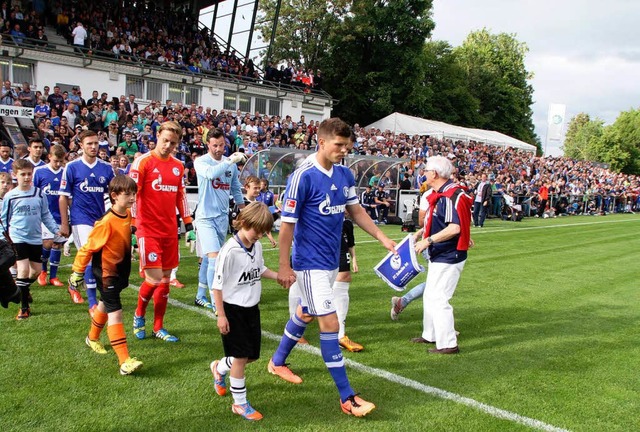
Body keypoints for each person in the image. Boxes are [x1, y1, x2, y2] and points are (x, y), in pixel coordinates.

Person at [267, 118, 396, 417]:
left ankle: (277, 362)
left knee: (305, 312)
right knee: (331, 324)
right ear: (321, 142)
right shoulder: (303, 177)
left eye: (347, 146)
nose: (343, 150)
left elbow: (355, 210)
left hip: (330, 260)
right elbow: (286, 227)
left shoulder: (344, 174)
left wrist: (381, 237)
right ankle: (347, 397)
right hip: (308, 263)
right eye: (339, 145)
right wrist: (284, 266)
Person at [209, 202, 278, 421]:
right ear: (243, 222)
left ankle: (219, 367)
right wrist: (221, 315)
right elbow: (217, 286)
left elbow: (260, 269)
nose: (259, 235)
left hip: (251, 309)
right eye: (256, 230)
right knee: (240, 359)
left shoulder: (256, 246)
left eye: (263, 231)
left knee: (249, 357)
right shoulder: (229, 251)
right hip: (232, 311)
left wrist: (280, 276)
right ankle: (240, 404)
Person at [68, 175, 143, 375]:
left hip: (119, 273)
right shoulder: (105, 222)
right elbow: (87, 249)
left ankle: (92, 338)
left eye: (133, 193)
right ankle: (124, 361)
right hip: (106, 274)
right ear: (114, 196)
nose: (132, 198)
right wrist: (76, 272)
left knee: (104, 303)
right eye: (127, 194)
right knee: (115, 312)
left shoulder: (126, 215)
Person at [130, 121, 193, 343]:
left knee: (165, 279)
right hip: (147, 230)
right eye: (165, 140)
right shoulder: (142, 162)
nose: (168, 146)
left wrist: (188, 224)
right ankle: (139, 315)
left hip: (169, 230)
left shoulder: (177, 165)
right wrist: (133, 225)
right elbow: (132, 195)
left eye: (173, 143)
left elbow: (180, 196)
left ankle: (158, 326)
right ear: (157, 136)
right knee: (154, 278)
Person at [412, 156, 472, 354]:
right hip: (441, 253)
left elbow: (454, 228)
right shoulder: (444, 193)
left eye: (427, 170)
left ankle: (448, 343)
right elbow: (439, 220)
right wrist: (422, 233)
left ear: (435, 173)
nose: (424, 173)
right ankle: (430, 334)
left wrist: (427, 241)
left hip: (448, 254)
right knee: (430, 295)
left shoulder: (449, 195)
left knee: (439, 298)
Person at [59, 130, 116, 310]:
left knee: (99, 260)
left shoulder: (106, 168)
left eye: (95, 143)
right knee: (90, 257)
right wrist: (64, 223)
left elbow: (113, 195)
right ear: (81, 145)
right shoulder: (72, 167)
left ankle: (74, 281)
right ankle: (93, 303)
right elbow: (63, 197)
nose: (93, 147)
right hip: (80, 218)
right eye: (89, 144)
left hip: (101, 220)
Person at [193, 127, 246, 311]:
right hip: (205, 217)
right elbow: (210, 174)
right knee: (215, 258)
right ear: (208, 144)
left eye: (221, 145)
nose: (218, 149)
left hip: (222, 218)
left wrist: (243, 211)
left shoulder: (229, 164)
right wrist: (231, 160)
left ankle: (200, 295)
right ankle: (217, 303)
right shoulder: (201, 162)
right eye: (215, 145)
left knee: (208, 259)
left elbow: (236, 189)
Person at [1, 159, 62, 319]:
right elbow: (4, 220)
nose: (27, 178)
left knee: (35, 272)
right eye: (23, 175)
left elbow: (46, 215)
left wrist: (56, 231)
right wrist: (3, 238)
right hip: (17, 238)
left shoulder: (39, 193)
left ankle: (22, 290)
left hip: (35, 238)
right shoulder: (10, 196)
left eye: (29, 174)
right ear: (15, 175)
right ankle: (24, 308)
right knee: (23, 269)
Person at [33, 144, 67, 287]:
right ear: (49, 157)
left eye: (61, 161)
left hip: (59, 214)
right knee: (47, 242)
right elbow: (34, 191)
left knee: (57, 244)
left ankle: (53, 276)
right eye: (55, 161)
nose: (58, 164)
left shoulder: (65, 172)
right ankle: (42, 271)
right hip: (44, 214)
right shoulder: (39, 171)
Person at [333, 216, 363, 352]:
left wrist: (354, 259)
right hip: (320, 248)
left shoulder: (346, 223)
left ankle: (340, 334)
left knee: (344, 277)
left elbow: (350, 243)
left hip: (340, 251)